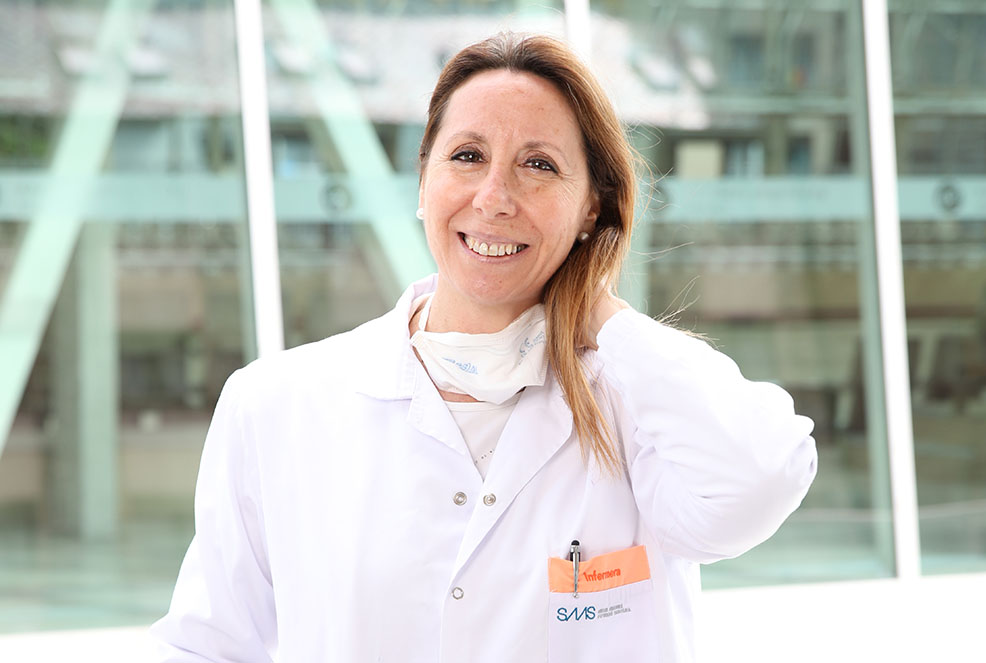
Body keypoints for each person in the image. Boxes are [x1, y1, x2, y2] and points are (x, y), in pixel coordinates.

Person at [150, 32, 817, 663]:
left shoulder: (637, 407)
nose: (494, 197)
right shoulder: (275, 404)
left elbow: (759, 479)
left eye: (539, 165)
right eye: (467, 156)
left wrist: (602, 316)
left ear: (592, 207)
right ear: (424, 182)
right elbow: (208, 645)